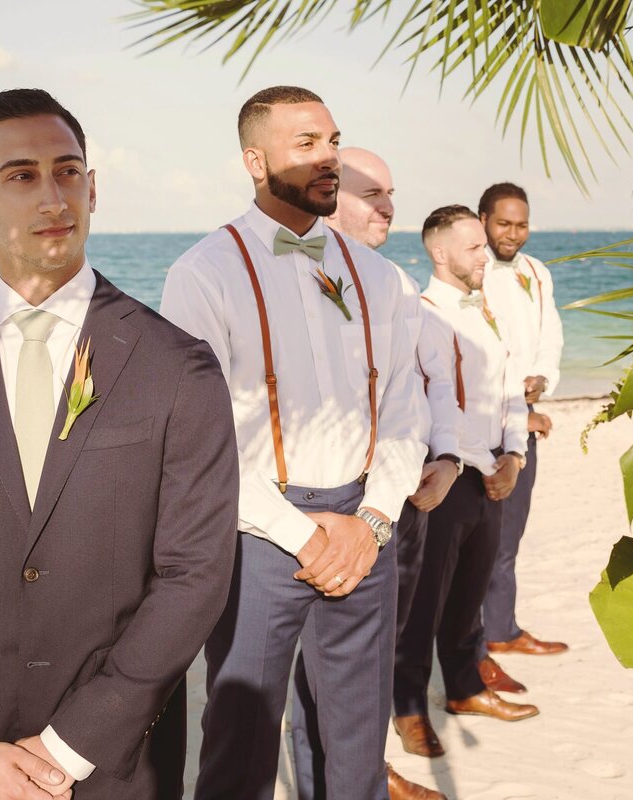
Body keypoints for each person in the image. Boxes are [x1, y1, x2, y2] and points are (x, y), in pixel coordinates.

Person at [0, 88, 239, 800]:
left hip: (114, 759)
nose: (53, 195)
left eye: (67, 171)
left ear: (92, 188)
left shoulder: (178, 366)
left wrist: (71, 744)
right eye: (22, 175)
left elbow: (195, 574)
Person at [160, 87, 427, 800]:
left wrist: (372, 522)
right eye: (305, 143)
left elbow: (404, 409)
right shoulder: (201, 274)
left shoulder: (380, 276)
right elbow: (199, 439)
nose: (328, 157)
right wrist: (303, 537)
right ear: (255, 159)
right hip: (258, 535)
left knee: (355, 747)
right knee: (240, 746)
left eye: (333, 140)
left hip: (369, 530)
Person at [290, 146, 458, 800]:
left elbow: (428, 381)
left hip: (395, 500)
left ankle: (365, 776)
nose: (390, 206)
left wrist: (445, 459)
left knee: (364, 662)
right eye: (373, 193)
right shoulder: (287, 278)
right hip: (317, 507)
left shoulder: (391, 282)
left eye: (391, 193)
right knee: (320, 674)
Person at [393, 204, 538, 762]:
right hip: (446, 477)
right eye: (474, 247)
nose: (485, 256)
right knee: (422, 603)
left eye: (484, 245)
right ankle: (408, 709)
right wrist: (481, 460)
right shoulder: (422, 313)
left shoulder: (489, 309)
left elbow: (509, 388)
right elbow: (435, 401)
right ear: (440, 252)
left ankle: (465, 690)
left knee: (467, 599)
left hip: (492, 474)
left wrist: (515, 456)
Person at [478, 182, 568, 660]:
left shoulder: (537, 271)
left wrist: (543, 379)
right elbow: (475, 348)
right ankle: (470, 648)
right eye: (503, 223)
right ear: (482, 220)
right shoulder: (472, 270)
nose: (513, 234)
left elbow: (550, 335)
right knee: (477, 541)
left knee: (510, 535)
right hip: (481, 423)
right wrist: (513, 395)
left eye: (521, 224)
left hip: (525, 419)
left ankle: (502, 629)